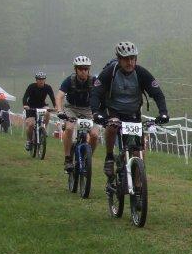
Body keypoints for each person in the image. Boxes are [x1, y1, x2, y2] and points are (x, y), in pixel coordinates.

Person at [90, 41, 169, 177]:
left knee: (139, 152)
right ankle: (109, 157)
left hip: (133, 113)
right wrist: (96, 113)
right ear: (119, 59)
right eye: (126, 59)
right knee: (112, 124)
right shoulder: (110, 72)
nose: (130, 62)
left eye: (133, 59)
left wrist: (163, 112)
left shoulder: (141, 73)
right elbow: (95, 93)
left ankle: (138, 189)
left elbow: (158, 94)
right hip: (114, 110)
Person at [56, 56, 100, 172]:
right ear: (76, 69)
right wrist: (60, 111)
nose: (83, 71)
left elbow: (102, 96)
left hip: (88, 109)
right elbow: (59, 96)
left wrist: (102, 112)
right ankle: (68, 158)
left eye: (86, 69)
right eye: (80, 69)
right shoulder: (69, 80)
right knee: (69, 128)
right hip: (71, 108)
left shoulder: (94, 81)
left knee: (95, 135)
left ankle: (87, 157)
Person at [22, 71, 56, 151]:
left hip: (41, 106)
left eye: (42, 79)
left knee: (47, 112)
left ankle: (43, 129)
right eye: (39, 79)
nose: (41, 81)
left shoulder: (48, 87)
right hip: (31, 107)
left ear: (45, 80)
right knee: (30, 125)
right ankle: (29, 141)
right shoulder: (31, 86)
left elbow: (52, 98)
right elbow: (25, 97)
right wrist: (25, 105)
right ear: (36, 80)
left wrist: (55, 107)